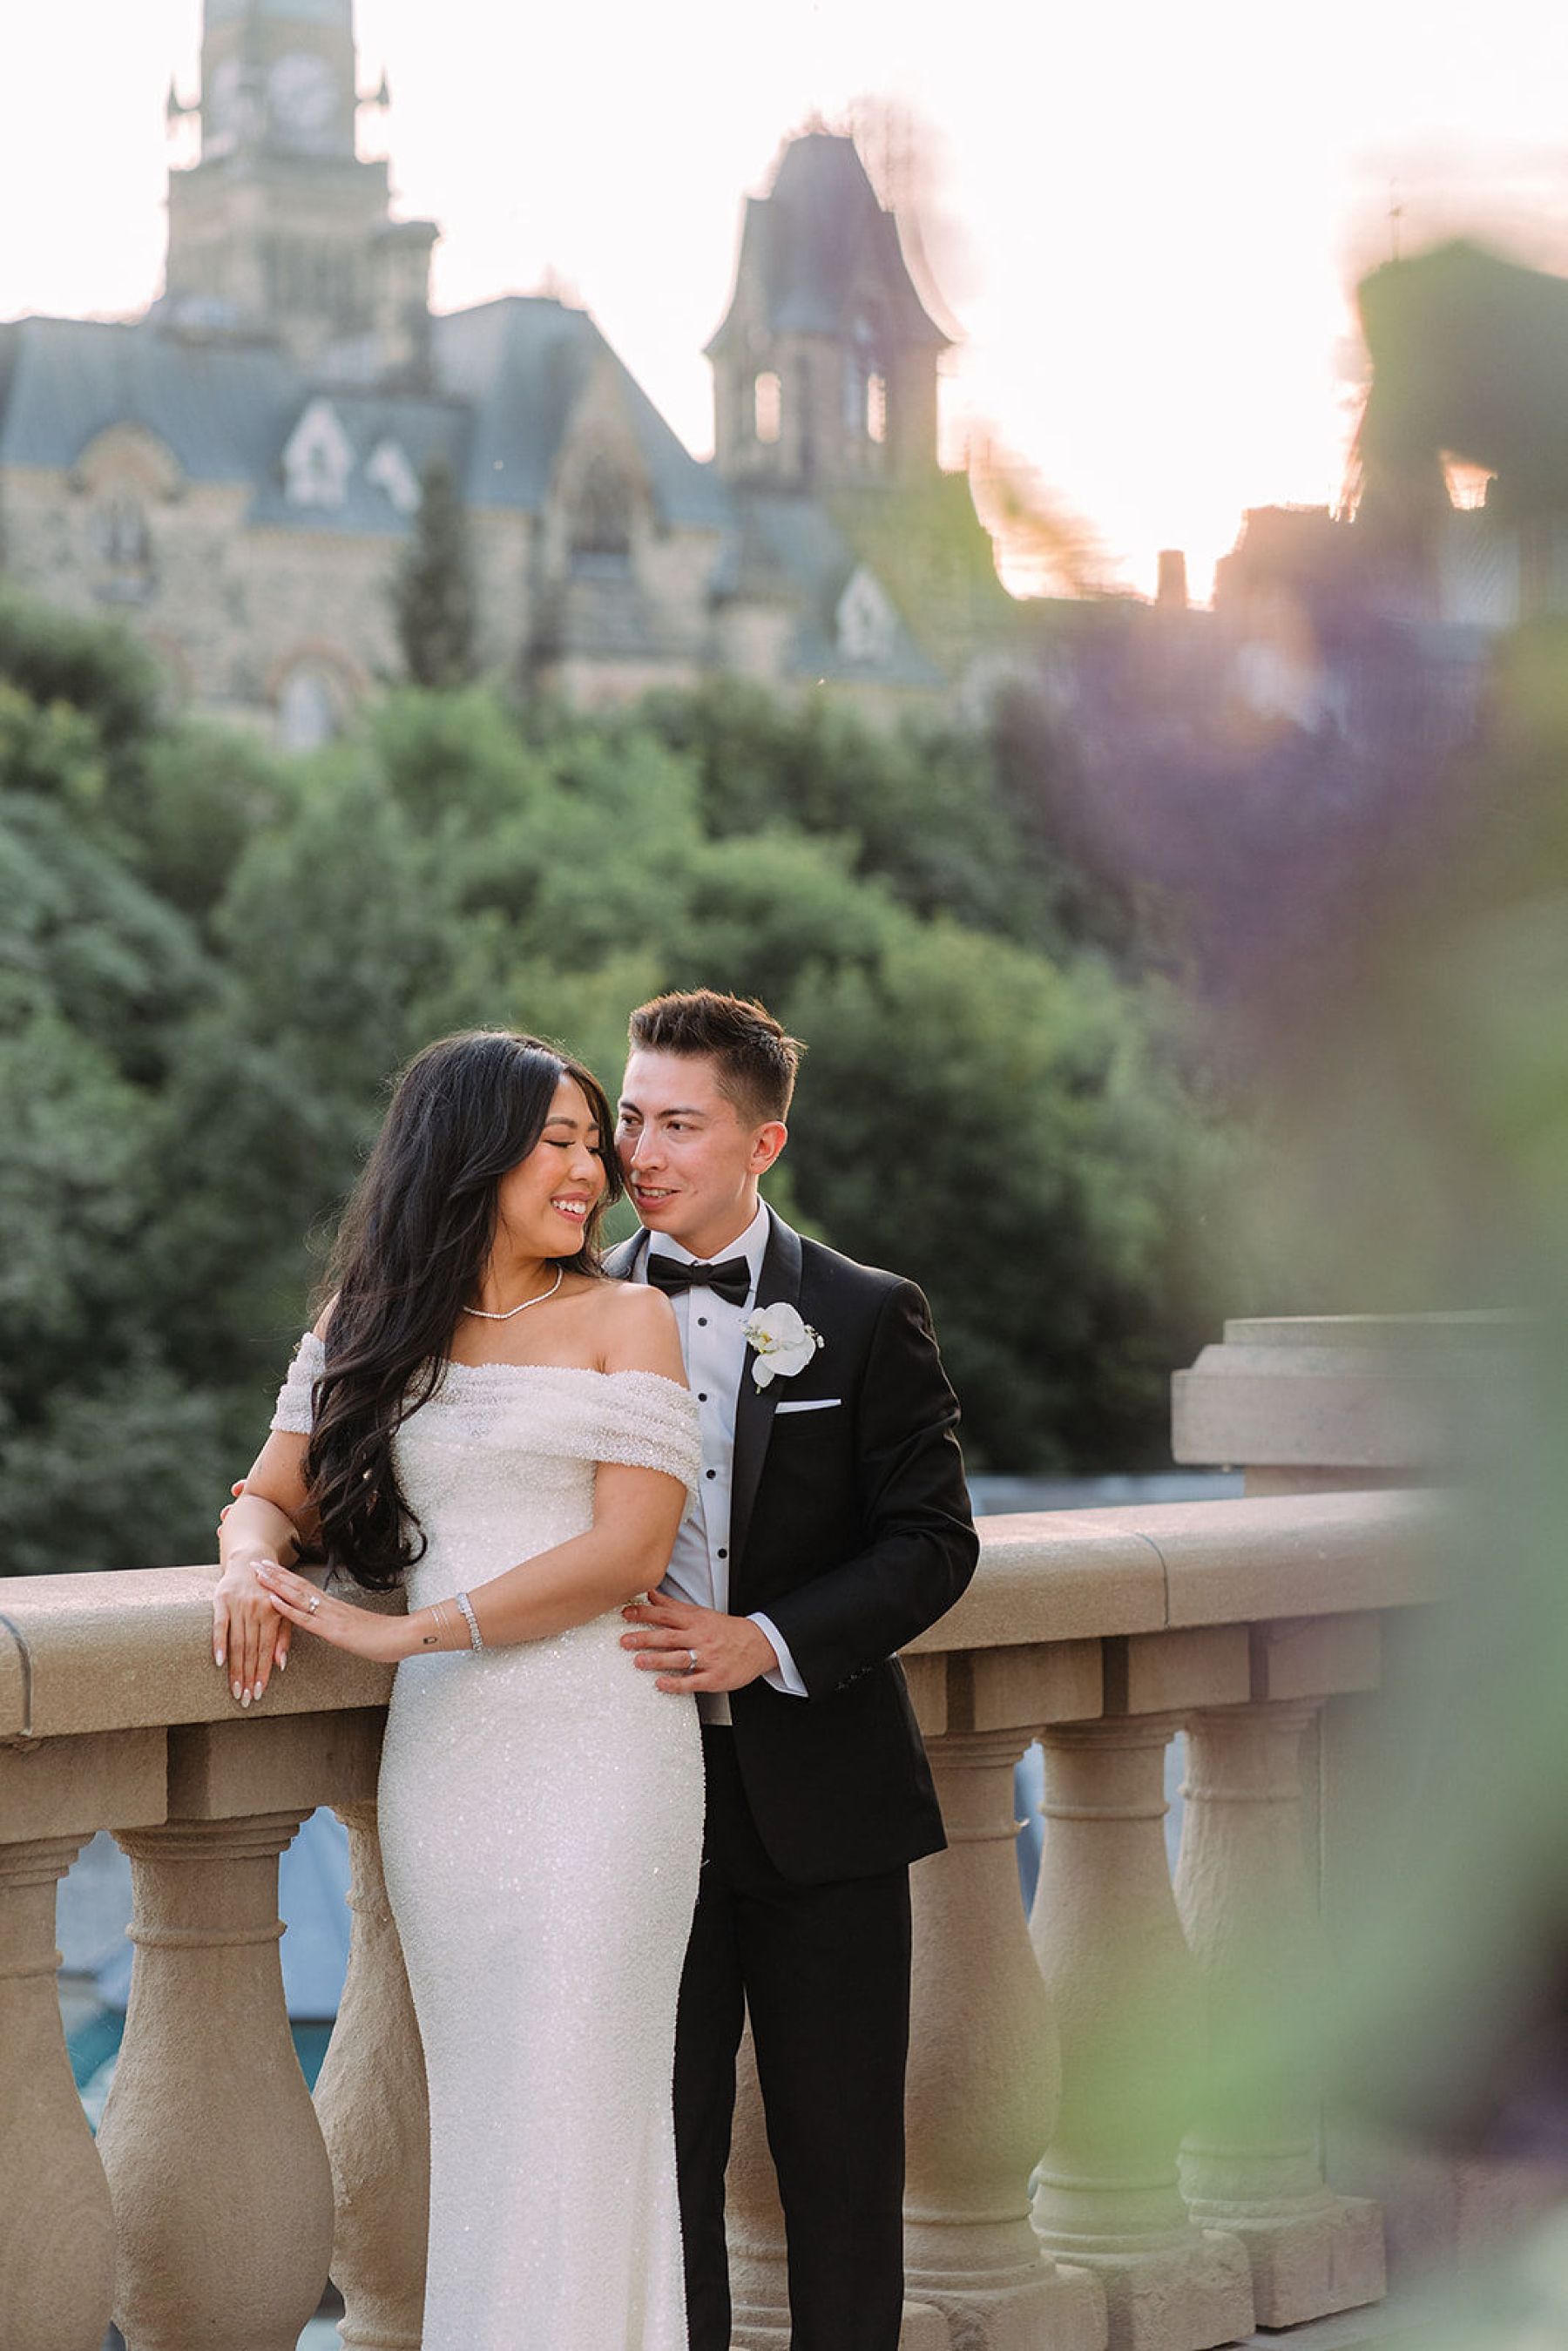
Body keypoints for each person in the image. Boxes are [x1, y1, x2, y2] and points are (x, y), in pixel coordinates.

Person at [211, 1030, 705, 2351]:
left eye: (594, 1143)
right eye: (559, 1140)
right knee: (491, 2104)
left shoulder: (628, 1316)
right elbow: (268, 1498)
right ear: (468, 1149)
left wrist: (404, 1638)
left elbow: (629, 1551)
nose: (593, 1169)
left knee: (587, 2087)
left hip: (605, 1747)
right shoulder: (363, 1328)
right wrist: (245, 1569)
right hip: (453, 1769)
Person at [610, 990, 979, 2351]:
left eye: (679, 1125)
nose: (641, 1152)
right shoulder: (565, 1302)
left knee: (841, 2167)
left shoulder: (869, 1314)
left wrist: (761, 1641)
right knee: (661, 2164)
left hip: (827, 1800)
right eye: (632, 1118)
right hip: (627, 1797)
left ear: (762, 1144)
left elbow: (934, 1545)